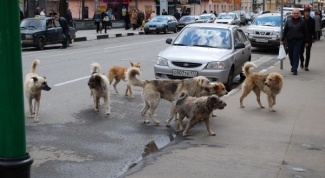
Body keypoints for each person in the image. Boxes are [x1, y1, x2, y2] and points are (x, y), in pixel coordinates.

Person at [280, 9, 308, 75]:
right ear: (292, 14)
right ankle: (293, 65)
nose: (295, 14)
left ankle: (295, 69)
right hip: (290, 40)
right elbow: (285, 31)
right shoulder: (289, 21)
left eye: (297, 13)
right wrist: (282, 39)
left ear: (299, 14)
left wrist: (306, 42)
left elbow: (305, 32)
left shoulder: (303, 22)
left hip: (298, 40)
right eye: (294, 13)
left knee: (296, 54)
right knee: (291, 55)